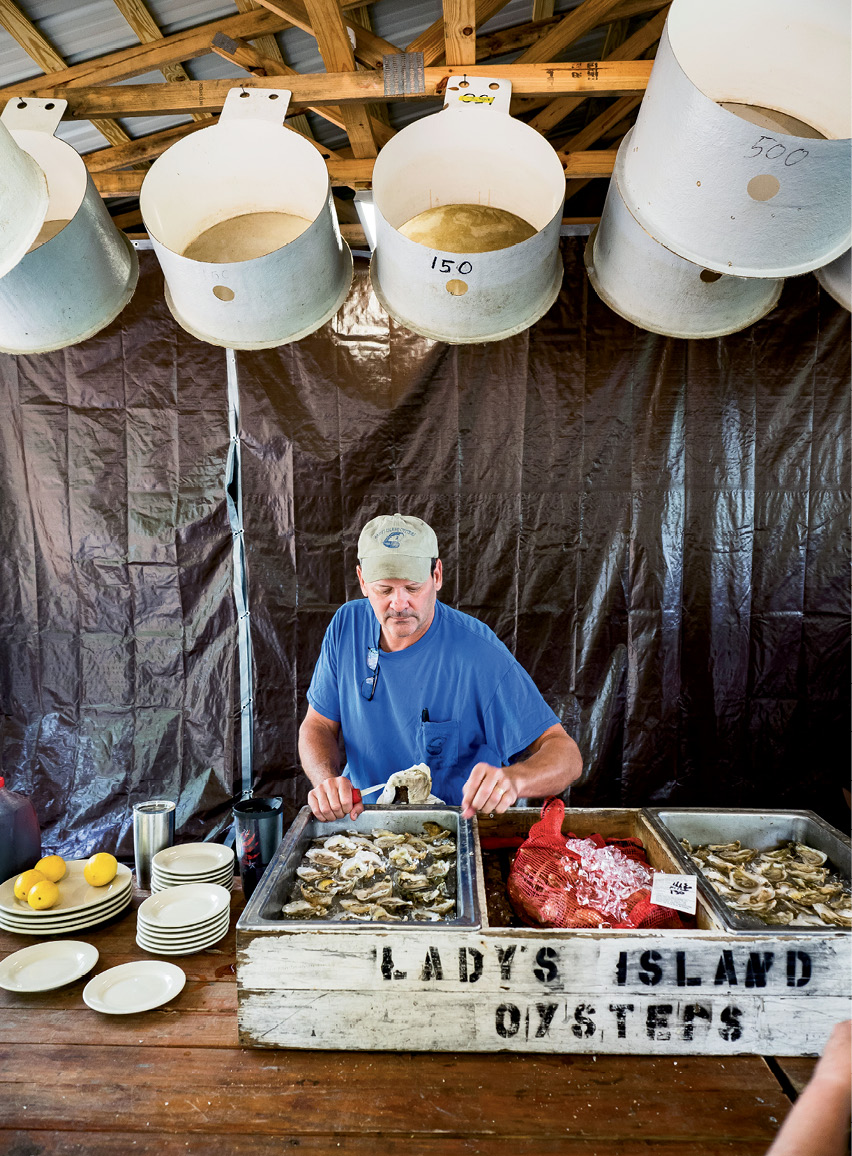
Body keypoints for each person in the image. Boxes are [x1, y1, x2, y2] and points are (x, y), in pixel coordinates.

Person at [299, 512, 583, 822]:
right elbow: (318, 726)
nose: (399, 604)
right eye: (384, 590)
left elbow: (566, 755)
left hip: (448, 831)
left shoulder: (478, 653)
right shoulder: (346, 625)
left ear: (437, 576)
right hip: (362, 826)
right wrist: (326, 781)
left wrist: (515, 780)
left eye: (412, 588)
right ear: (363, 581)